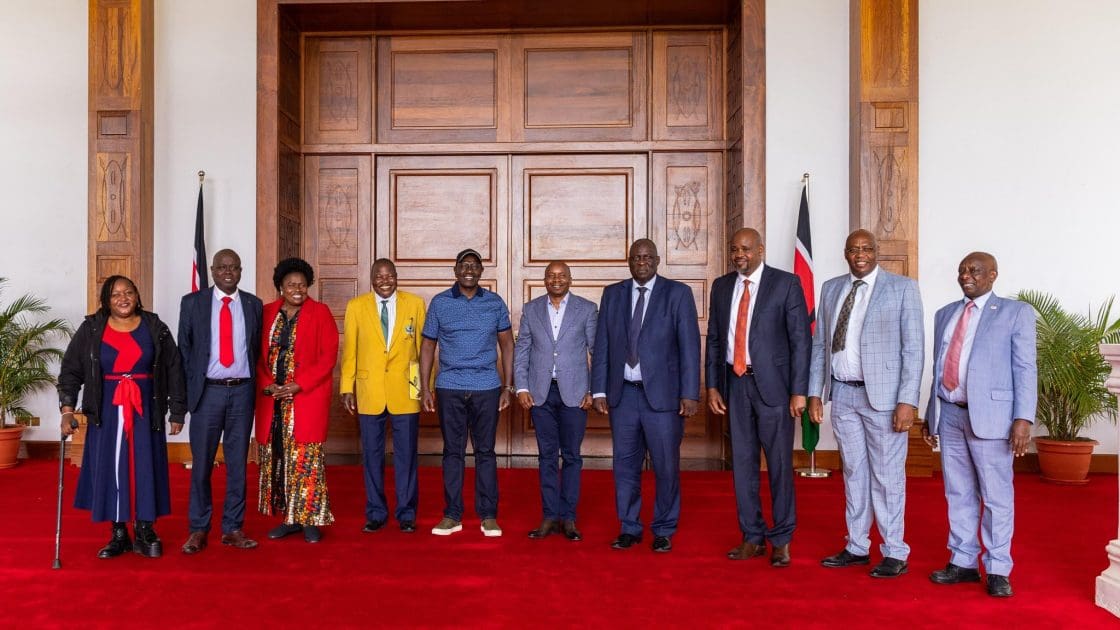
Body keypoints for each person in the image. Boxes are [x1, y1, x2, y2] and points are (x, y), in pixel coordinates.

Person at [807, 229, 924, 578]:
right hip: (842, 394)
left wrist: (907, 400)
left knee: (887, 477)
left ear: (876, 252)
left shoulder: (902, 288)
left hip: (885, 400)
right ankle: (857, 546)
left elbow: (913, 349)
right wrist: (816, 392)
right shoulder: (831, 288)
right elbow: (819, 346)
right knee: (854, 473)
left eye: (866, 248)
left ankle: (894, 551)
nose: (860, 254)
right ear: (845, 253)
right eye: (853, 249)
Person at [923, 252, 1036, 598]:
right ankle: (963, 562)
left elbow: (1025, 367)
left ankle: (998, 567)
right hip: (951, 414)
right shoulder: (945, 314)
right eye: (961, 270)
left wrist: (1022, 419)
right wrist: (931, 415)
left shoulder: (1015, 312)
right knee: (957, 492)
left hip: (992, 418)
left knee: (996, 496)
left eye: (974, 270)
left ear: (992, 275)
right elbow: (938, 367)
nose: (965, 275)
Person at [58, 275, 186, 559]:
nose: (123, 298)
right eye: (115, 294)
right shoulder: (91, 328)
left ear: (138, 297)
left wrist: (177, 410)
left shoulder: (155, 327)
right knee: (112, 467)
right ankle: (118, 534)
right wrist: (67, 410)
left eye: (128, 292)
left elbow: (174, 369)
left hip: (146, 408)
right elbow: (71, 370)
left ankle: (145, 530)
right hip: (107, 410)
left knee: (144, 465)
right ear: (106, 300)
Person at [706, 228, 811, 567]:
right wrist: (712, 386)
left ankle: (781, 539)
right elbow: (714, 341)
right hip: (735, 386)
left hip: (775, 389)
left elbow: (800, 342)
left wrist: (799, 391)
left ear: (760, 250)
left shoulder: (786, 283)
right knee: (743, 466)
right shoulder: (722, 286)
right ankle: (751, 535)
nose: (740, 255)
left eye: (746, 249)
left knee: (779, 465)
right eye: (735, 248)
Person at [592, 238, 701, 553]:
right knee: (624, 465)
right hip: (623, 396)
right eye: (636, 257)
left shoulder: (677, 294)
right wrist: (598, 388)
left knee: (666, 465)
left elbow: (690, 347)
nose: (641, 261)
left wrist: (689, 393)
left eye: (647, 256)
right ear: (629, 261)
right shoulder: (613, 294)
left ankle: (664, 529)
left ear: (657, 259)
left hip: (663, 400)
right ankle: (629, 527)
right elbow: (603, 345)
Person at [420, 248, 514, 537]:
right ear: (456, 270)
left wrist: (508, 386)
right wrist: (425, 387)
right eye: (464, 265)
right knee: (452, 452)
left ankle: (488, 516)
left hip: (487, 386)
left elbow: (508, 345)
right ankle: (452, 515)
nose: (469, 269)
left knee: (485, 451)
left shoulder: (495, 303)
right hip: (449, 387)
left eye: (475, 265)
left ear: (481, 271)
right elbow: (427, 347)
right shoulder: (440, 303)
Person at [178, 249, 263, 554]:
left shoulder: (253, 305)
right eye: (222, 267)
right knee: (202, 464)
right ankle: (199, 528)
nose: (229, 272)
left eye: (234, 267)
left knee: (238, 464)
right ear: (212, 271)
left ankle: (233, 528)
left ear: (241, 271)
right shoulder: (193, 303)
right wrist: (189, 394)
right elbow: (184, 351)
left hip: (242, 392)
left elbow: (255, 350)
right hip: (208, 393)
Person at [255, 257, 339, 543]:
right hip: (273, 401)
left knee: (306, 459)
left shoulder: (321, 312)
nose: (297, 289)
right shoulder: (266, 313)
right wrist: (269, 385)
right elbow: (254, 354)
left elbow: (328, 357)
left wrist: (297, 385)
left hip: (306, 399)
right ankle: (288, 519)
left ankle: (310, 520)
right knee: (278, 458)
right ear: (280, 286)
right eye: (291, 284)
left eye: (302, 285)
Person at [340, 258, 426, 534]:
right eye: (379, 275)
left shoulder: (415, 304)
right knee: (372, 454)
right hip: (369, 390)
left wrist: (426, 387)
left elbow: (424, 350)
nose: (385, 280)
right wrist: (346, 388)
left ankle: (407, 513)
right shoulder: (356, 307)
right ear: (372, 278)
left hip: (407, 390)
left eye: (390, 275)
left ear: (397, 277)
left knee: (407, 455)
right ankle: (376, 512)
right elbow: (350, 350)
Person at [513, 261, 597, 541]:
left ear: (570, 279)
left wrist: (594, 391)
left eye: (562, 275)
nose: (556, 280)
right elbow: (522, 348)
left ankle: (569, 518)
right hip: (540, 393)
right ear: (545, 280)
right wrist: (521, 387)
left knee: (572, 456)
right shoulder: (531, 309)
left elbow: (597, 351)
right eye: (551, 275)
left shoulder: (586, 309)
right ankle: (550, 516)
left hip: (575, 394)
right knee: (547, 456)